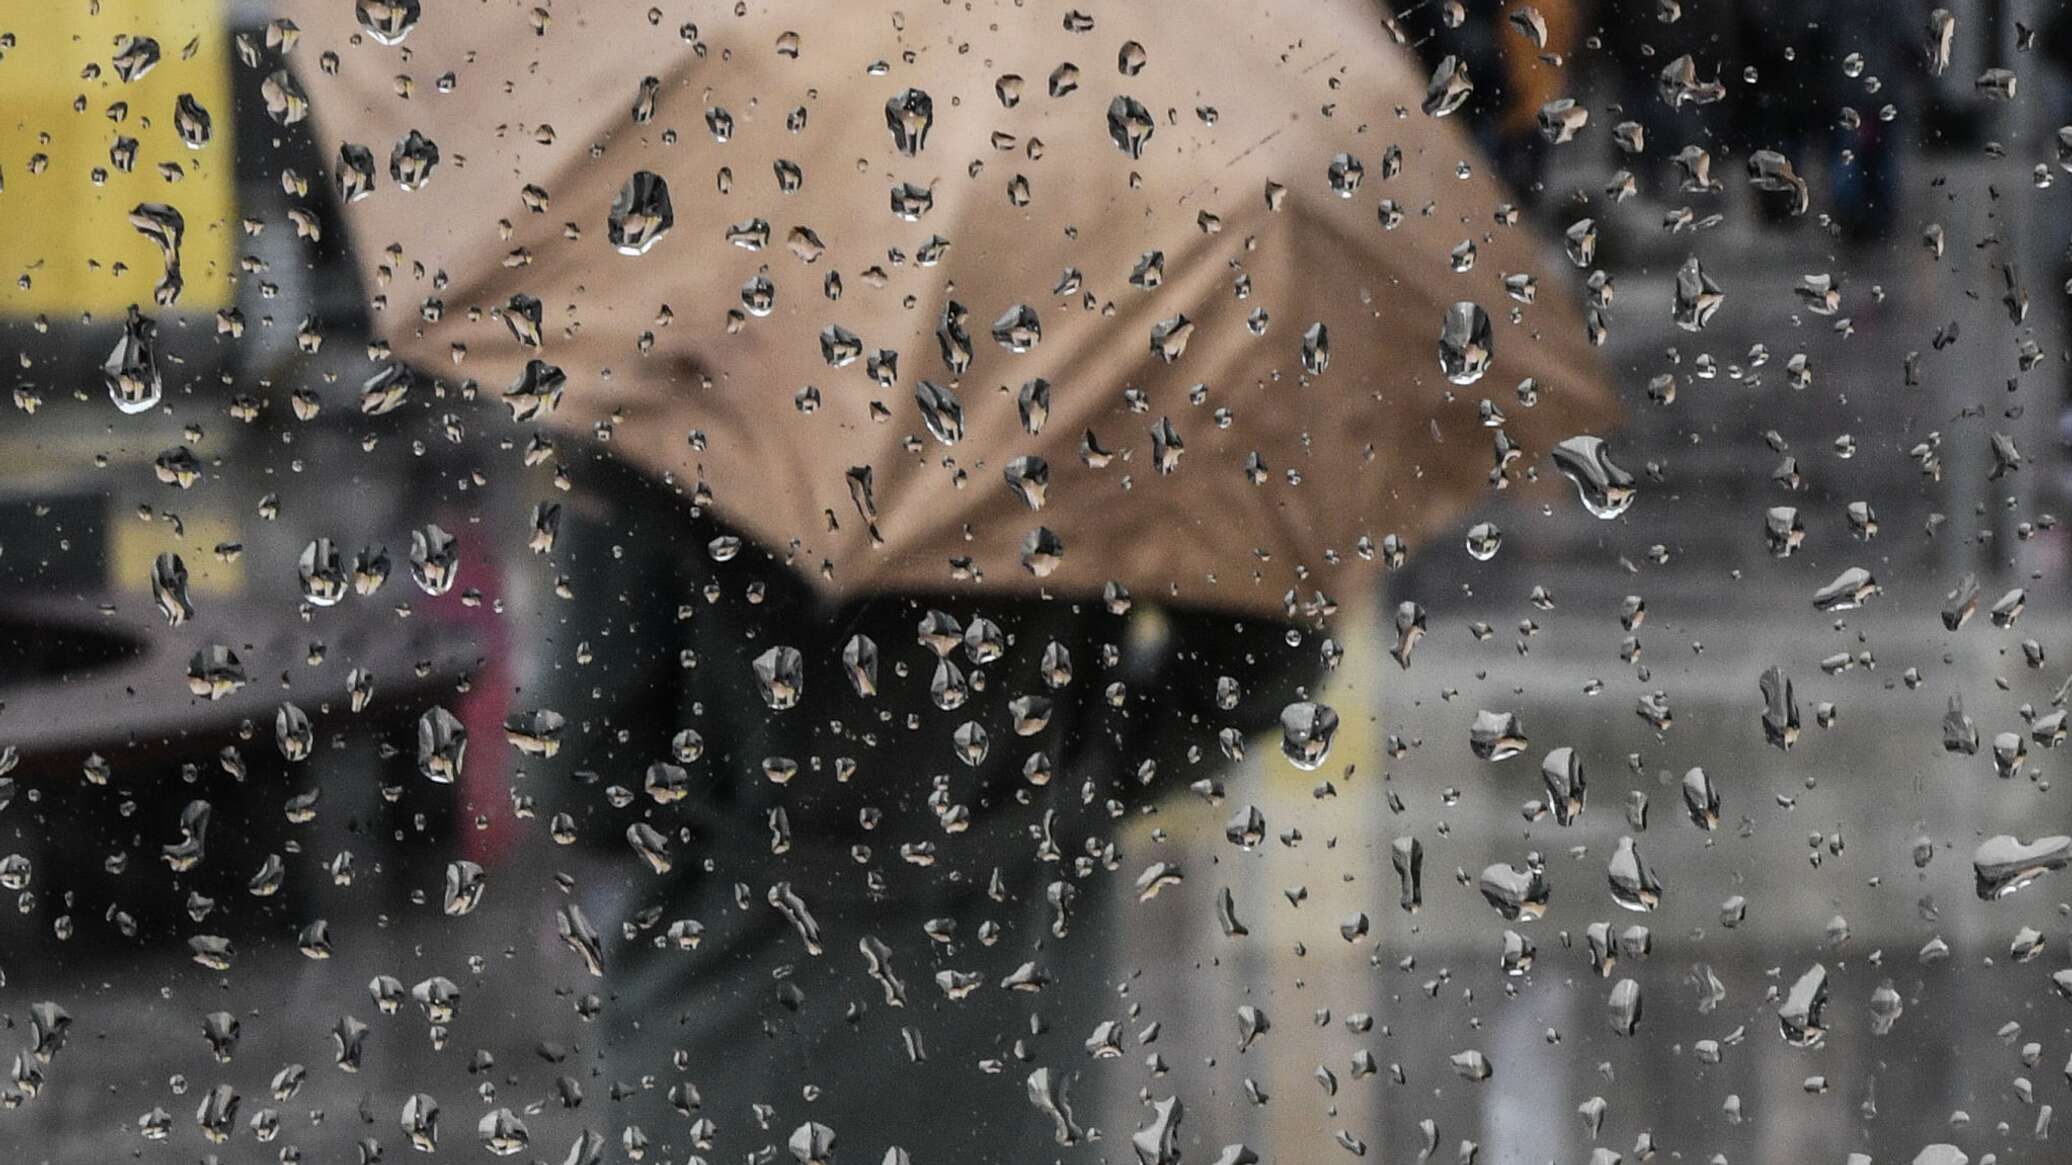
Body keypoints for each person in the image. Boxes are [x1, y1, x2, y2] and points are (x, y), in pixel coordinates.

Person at [294, 0, 1613, 1158]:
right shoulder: (1119, 359)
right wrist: (1066, 795)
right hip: (1012, 1041)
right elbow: (1261, 649)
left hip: (725, 1047)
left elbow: (588, 768)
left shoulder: (672, 390)